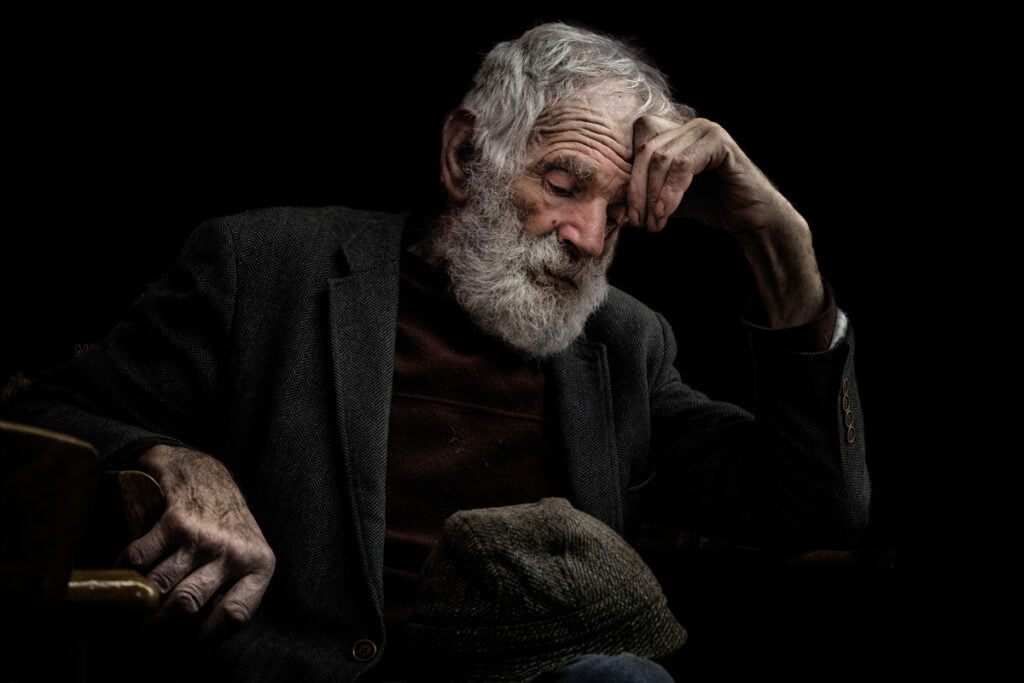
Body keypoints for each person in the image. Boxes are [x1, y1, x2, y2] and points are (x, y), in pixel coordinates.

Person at [2, 22, 869, 681]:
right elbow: (40, 420)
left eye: (621, 211)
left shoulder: (625, 345)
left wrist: (779, 240)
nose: (590, 237)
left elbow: (816, 508)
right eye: (566, 186)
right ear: (465, 156)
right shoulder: (263, 266)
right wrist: (166, 452)